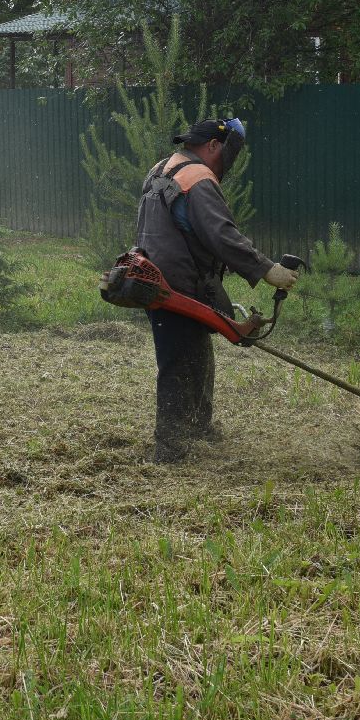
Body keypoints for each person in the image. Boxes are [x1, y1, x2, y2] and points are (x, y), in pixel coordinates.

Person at [134, 117, 298, 462]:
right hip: (178, 284)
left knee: (196, 355)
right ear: (212, 146)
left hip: (157, 276)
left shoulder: (162, 168)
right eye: (228, 151)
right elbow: (221, 235)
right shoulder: (198, 178)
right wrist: (267, 269)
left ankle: (197, 429)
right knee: (179, 362)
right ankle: (171, 446)